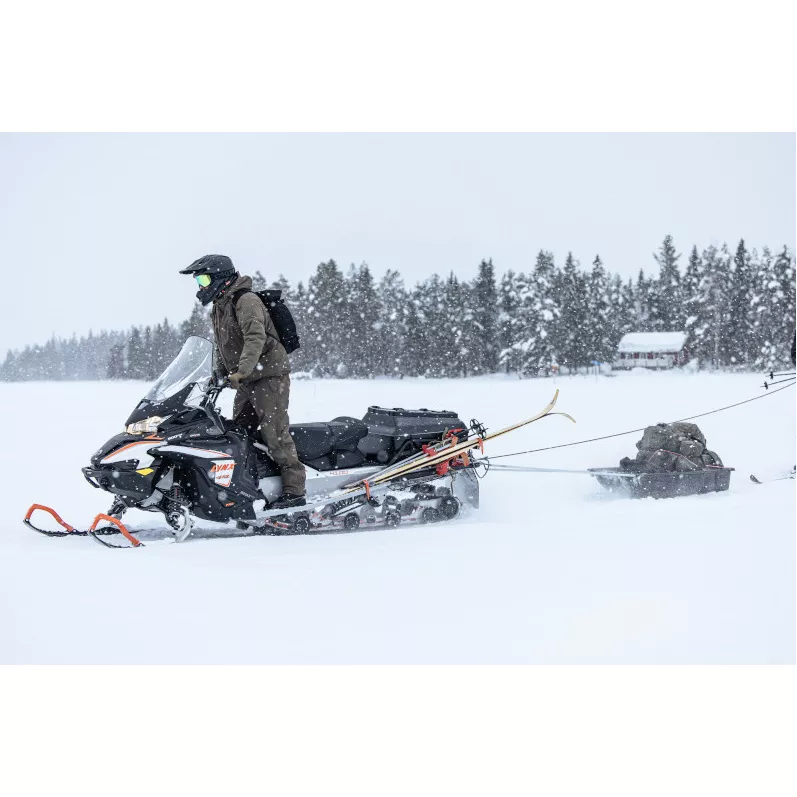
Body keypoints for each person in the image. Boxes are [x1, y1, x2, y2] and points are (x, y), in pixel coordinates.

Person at [180, 254, 306, 508]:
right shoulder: (221, 304)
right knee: (239, 432)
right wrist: (218, 373)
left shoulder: (245, 300)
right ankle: (250, 485)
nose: (201, 286)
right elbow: (222, 345)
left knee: (275, 433)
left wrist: (241, 372)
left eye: (203, 279)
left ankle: (295, 492)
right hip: (248, 378)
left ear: (221, 277)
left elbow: (254, 339)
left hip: (268, 375)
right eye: (198, 281)